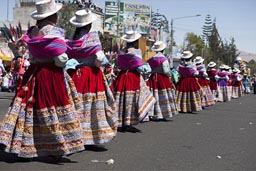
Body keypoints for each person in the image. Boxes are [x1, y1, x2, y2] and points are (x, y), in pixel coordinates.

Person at [0, 0, 84, 161]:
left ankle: (25, 145)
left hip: (33, 72)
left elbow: (33, 54)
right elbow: (60, 56)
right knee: (54, 106)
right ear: (53, 15)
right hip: (52, 74)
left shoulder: (32, 32)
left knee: (29, 108)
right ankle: (57, 145)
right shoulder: (54, 32)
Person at [66, 9, 118, 145]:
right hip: (90, 75)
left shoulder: (71, 39)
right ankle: (90, 136)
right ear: (89, 25)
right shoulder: (92, 37)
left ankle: (73, 134)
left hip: (74, 75)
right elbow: (99, 57)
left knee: (75, 104)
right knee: (91, 106)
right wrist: (98, 64)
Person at [112, 30, 156, 132]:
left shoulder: (121, 52)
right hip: (133, 77)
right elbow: (139, 67)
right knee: (132, 99)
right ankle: (129, 122)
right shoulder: (137, 52)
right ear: (136, 41)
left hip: (122, 76)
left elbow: (118, 65)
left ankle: (120, 121)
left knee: (121, 98)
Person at [146, 41, 178, 121]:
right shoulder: (164, 59)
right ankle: (162, 113)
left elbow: (148, 70)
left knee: (154, 95)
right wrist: (169, 76)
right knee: (163, 95)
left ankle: (152, 113)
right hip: (162, 78)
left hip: (153, 78)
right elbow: (166, 70)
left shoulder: (151, 59)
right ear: (163, 50)